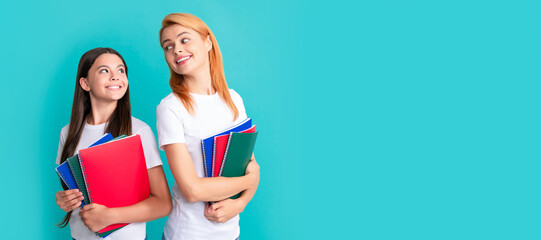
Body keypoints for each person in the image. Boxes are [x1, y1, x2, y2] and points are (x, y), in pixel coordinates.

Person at [156, 13, 260, 240]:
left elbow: (251, 166)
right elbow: (192, 190)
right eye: (168, 46)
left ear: (207, 42)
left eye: (184, 40)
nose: (176, 50)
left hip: (230, 233)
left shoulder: (233, 100)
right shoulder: (170, 108)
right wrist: (249, 181)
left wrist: (240, 204)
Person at [55, 47, 172, 239]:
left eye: (121, 70)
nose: (115, 76)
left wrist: (110, 216)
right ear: (85, 83)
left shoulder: (138, 131)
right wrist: (64, 200)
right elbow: (72, 193)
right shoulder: (67, 133)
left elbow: (163, 203)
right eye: (104, 71)